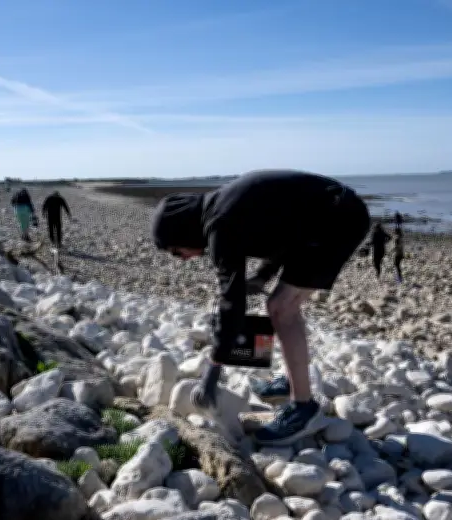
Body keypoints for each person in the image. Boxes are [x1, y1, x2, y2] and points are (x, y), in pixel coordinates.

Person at [151, 169, 371, 445]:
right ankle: (293, 383)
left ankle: (304, 409)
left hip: (338, 220)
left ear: (181, 230)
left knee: (281, 307)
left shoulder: (220, 225)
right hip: (324, 217)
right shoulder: (221, 209)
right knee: (281, 305)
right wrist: (263, 276)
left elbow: (232, 302)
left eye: (175, 251)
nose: (181, 259)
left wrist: (212, 372)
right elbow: (282, 230)